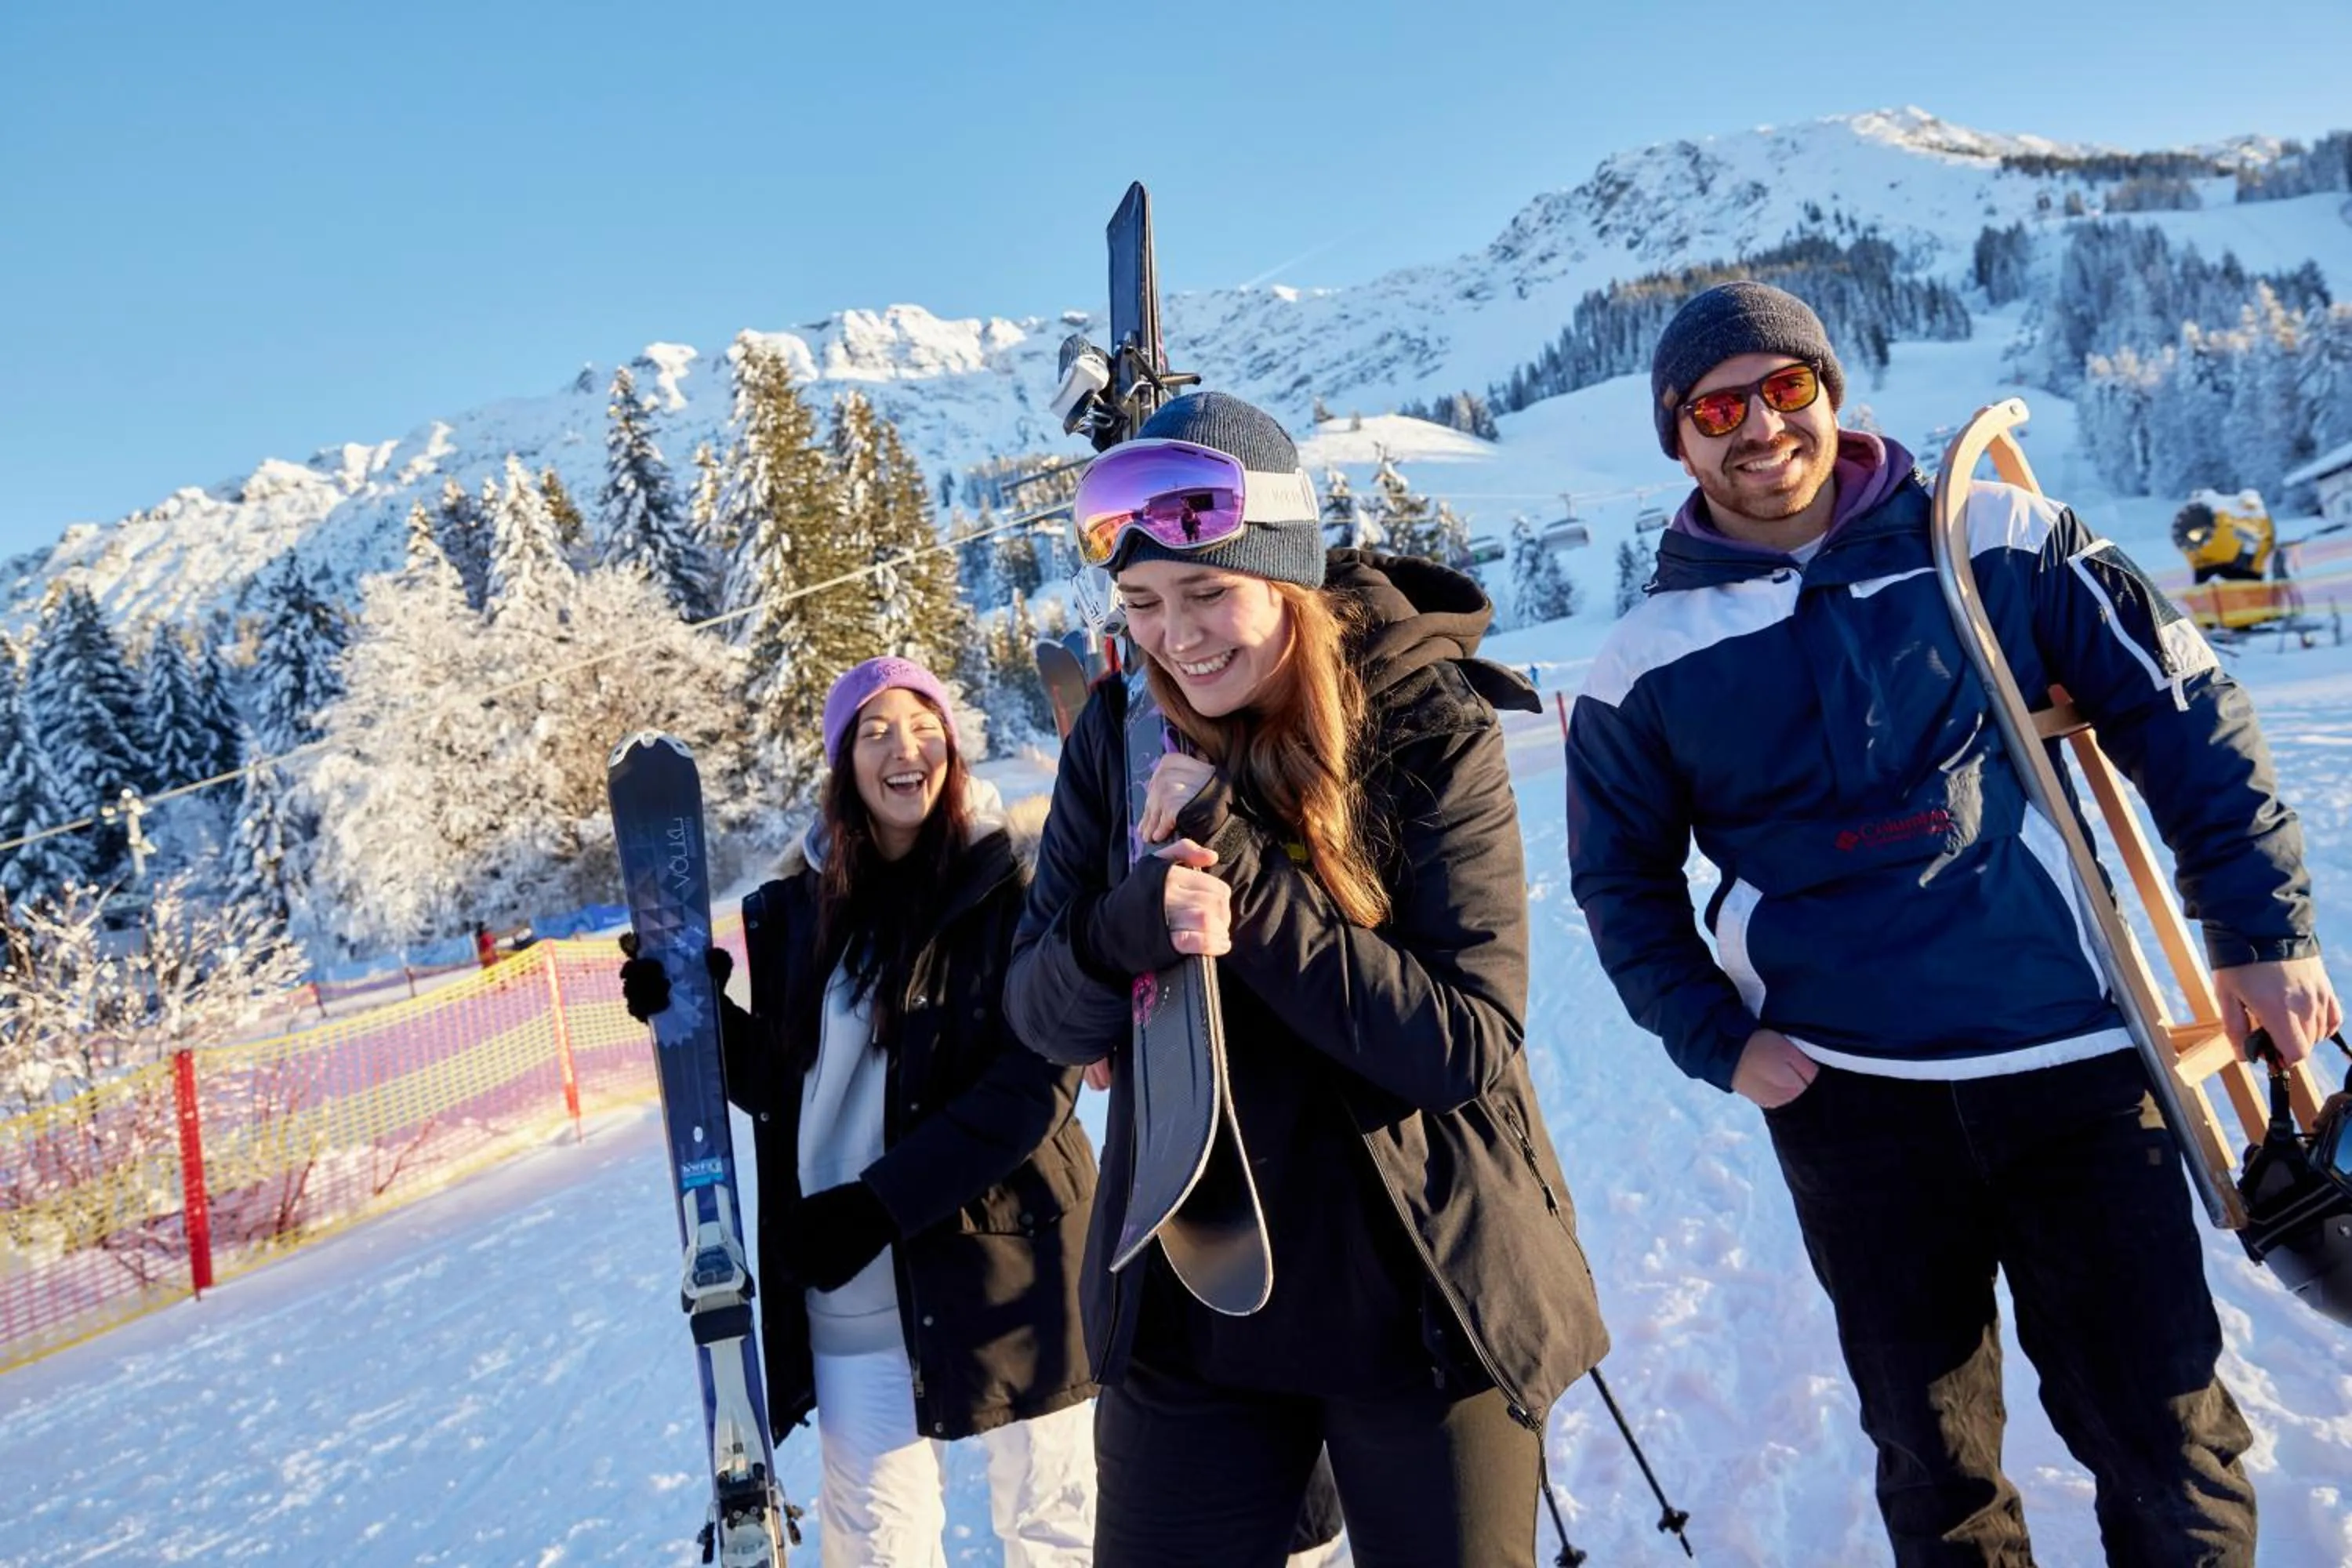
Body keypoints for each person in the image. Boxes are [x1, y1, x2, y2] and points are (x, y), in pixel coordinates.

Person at [1563, 281, 2343, 1566]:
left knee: (2164, 1435)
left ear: (1829, 390)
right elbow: (1621, 886)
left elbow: (2184, 712)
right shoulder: (1648, 657)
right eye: (1717, 407)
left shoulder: (1991, 532)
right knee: (1934, 1462)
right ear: (1680, 439)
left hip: (2077, 1067)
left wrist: (2259, 929)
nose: (1758, 426)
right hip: (1854, 1101)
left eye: (1785, 388)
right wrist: (1717, 1040)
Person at [1005, 391, 1609, 1567]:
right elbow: (1035, 1010)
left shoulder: (1426, 724)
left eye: (1207, 594)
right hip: (1197, 1298)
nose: (1175, 637)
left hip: (1419, 1297)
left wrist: (1248, 878)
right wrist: (1121, 930)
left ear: (1283, 575)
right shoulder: (1119, 735)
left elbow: (1462, 1042)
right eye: (1140, 606)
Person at [621, 656, 1098, 1567]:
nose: (901, 746)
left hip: (1012, 1260)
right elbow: (793, 1084)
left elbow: (1034, 1083)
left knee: (1055, 1532)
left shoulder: (1019, 890)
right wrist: (697, 1019)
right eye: (873, 730)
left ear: (953, 750)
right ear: (844, 765)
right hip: (852, 1281)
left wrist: (879, 1203)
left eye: (921, 724)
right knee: (880, 1541)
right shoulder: (802, 911)